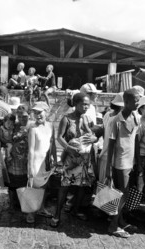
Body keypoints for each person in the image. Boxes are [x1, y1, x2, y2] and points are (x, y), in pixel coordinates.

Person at [50, 93, 97, 228]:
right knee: (65, 186)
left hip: (85, 159)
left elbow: (94, 135)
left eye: (88, 104)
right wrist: (68, 148)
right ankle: (57, 214)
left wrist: (95, 138)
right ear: (75, 104)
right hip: (71, 159)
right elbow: (59, 137)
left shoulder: (88, 119)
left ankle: (75, 210)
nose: (86, 107)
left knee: (81, 186)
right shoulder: (67, 119)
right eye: (83, 104)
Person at [105, 88, 141, 238]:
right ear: (126, 102)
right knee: (122, 194)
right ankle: (113, 225)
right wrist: (108, 169)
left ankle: (120, 220)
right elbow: (111, 146)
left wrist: (138, 163)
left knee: (123, 193)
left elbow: (137, 141)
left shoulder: (136, 117)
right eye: (136, 100)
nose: (138, 102)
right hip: (120, 163)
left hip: (130, 162)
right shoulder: (116, 121)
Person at [26, 102, 57, 223]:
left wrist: (54, 159)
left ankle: (42, 208)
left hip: (47, 162)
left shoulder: (51, 126)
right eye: (35, 112)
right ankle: (30, 212)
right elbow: (31, 151)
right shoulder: (33, 129)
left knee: (44, 187)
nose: (37, 115)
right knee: (33, 188)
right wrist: (30, 170)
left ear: (47, 112)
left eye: (40, 112)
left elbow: (52, 143)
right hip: (35, 163)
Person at [7, 105, 34, 212]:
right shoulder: (15, 126)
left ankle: (23, 203)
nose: (22, 119)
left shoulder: (33, 126)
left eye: (24, 116)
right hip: (14, 159)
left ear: (29, 114)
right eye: (20, 116)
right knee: (12, 183)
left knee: (25, 182)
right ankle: (12, 205)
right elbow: (8, 140)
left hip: (27, 159)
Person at [98, 93, 124, 182]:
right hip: (113, 157)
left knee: (104, 186)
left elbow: (104, 133)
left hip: (105, 154)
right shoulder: (119, 119)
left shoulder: (107, 115)